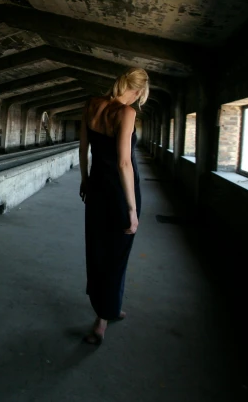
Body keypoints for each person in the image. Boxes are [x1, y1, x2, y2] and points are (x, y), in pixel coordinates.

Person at [78, 67, 149, 345]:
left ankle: (109, 306)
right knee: (117, 255)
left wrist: (84, 180)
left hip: (95, 189)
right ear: (139, 91)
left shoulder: (91, 105)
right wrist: (131, 210)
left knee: (97, 250)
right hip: (120, 194)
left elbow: (83, 149)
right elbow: (124, 163)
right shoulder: (127, 113)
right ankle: (102, 319)